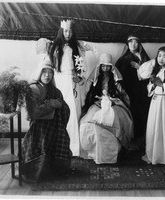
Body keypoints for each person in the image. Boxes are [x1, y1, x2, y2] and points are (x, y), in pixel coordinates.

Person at [48, 19, 97, 156]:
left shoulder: (77, 47)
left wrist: (79, 76)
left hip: (72, 81)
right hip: (59, 80)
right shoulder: (54, 47)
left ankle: (74, 148)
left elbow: (81, 66)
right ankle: (59, 146)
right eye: (65, 31)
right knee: (60, 111)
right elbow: (51, 67)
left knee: (74, 111)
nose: (68, 34)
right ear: (61, 31)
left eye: (70, 31)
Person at [21, 56, 72, 183]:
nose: (47, 75)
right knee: (40, 145)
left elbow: (65, 108)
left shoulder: (55, 91)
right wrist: (51, 104)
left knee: (63, 139)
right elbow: (34, 113)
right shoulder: (33, 89)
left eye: (50, 72)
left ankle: (55, 172)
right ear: (39, 73)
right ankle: (38, 174)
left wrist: (60, 105)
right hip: (39, 128)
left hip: (55, 126)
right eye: (44, 72)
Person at [79, 53, 134, 164]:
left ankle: (114, 150)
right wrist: (92, 101)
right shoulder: (95, 78)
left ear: (111, 67)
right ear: (100, 66)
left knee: (120, 117)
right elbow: (87, 91)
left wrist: (116, 99)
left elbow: (121, 92)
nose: (105, 68)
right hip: (98, 101)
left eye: (108, 66)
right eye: (103, 66)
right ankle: (95, 150)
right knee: (91, 118)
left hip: (113, 101)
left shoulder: (115, 78)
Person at [115, 34, 151, 151]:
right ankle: (133, 142)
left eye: (136, 42)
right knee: (133, 115)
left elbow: (151, 72)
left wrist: (139, 67)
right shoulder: (124, 59)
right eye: (131, 42)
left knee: (144, 114)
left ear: (139, 44)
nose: (133, 44)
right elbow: (121, 77)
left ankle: (144, 141)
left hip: (144, 91)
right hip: (132, 92)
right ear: (127, 44)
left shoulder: (144, 57)